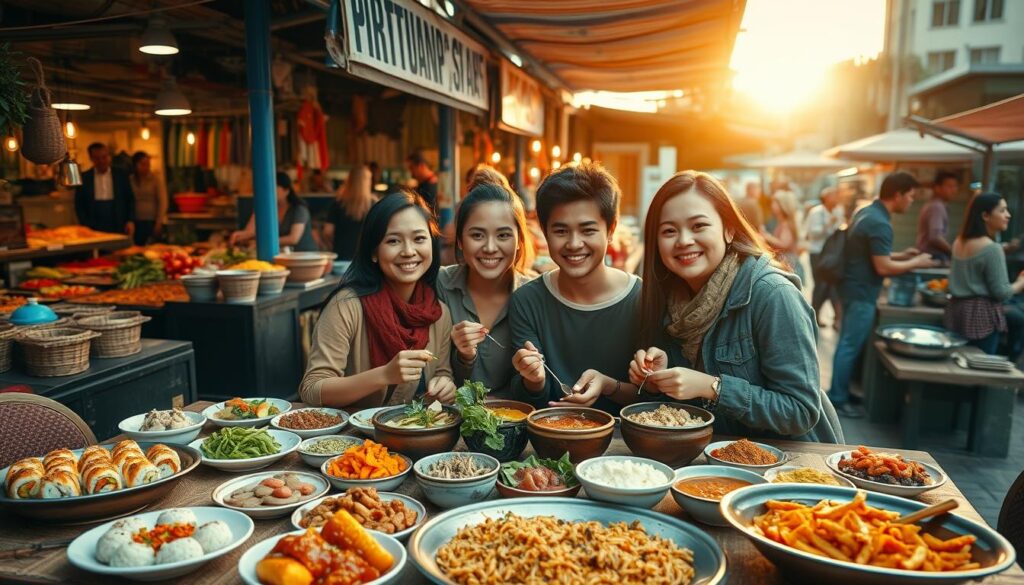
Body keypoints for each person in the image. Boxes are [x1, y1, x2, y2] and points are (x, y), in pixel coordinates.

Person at [623, 170, 841, 442]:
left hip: (790, 468)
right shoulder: (669, 301)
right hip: (716, 467)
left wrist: (714, 388)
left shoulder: (773, 294)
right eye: (669, 231)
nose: (684, 240)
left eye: (699, 226)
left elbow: (801, 412)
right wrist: (659, 377)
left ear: (729, 229)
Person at [299, 191, 455, 408]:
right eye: (393, 241)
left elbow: (442, 370)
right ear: (373, 252)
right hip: (352, 438)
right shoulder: (346, 306)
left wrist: (445, 383)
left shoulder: (438, 313)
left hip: (410, 435)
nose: (409, 251)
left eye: (419, 238)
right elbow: (313, 389)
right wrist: (384, 375)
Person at [510, 162, 642, 412]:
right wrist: (533, 380)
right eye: (560, 231)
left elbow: (653, 395)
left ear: (611, 230)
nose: (574, 243)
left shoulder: (642, 299)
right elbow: (529, 400)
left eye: (587, 230)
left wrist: (608, 385)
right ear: (545, 233)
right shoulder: (527, 300)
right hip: (551, 437)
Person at [829, 172, 937, 418]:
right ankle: (837, 397)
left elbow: (877, 256)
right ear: (897, 195)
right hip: (862, 291)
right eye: (910, 196)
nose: (911, 202)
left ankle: (841, 391)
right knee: (849, 345)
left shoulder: (867, 212)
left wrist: (902, 255)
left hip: (852, 287)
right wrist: (917, 261)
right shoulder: (880, 222)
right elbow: (883, 267)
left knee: (848, 343)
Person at [436, 166, 532, 397]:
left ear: (519, 240)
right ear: (459, 240)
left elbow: (536, 390)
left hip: (513, 422)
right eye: (477, 235)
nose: (490, 248)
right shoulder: (438, 285)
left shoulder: (533, 294)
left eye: (503, 235)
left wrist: (535, 379)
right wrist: (464, 356)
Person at [944, 193, 1024, 356]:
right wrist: (1021, 283)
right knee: (980, 368)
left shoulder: (959, 242)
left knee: (957, 364)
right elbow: (1002, 292)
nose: (1008, 215)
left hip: (956, 311)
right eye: (1002, 211)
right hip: (980, 317)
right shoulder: (991, 249)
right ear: (985, 216)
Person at [231, 172, 317, 252]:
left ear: (286, 191)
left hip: (304, 256)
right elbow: (250, 231)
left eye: (274, 189)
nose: (269, 193)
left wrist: (264, 243)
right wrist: (239, 236)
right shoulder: (266, 208)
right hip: (282, 255)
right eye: (267, 189)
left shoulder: (299, 209)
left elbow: (293, 239)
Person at [75, 143, 135, 236]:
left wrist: (130, 220)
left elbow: (130, 199)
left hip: (117, 219)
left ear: (109, 156)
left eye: (104, 157)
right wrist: (84, 224)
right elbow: (79, 204)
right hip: (93, 221)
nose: (102, 161)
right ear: (91, 159)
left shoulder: (121, 175)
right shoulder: (84, 178)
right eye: (97, 158)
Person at [804, 187, 845, 324]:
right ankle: (815, 316)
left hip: (833, 253)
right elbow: (811, 233)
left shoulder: (838, 211)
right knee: (820, 285)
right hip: (817, 252)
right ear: (826, 197)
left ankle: (836, 318)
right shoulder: (816, 213)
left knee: (832, 284)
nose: (837, 198)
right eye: (834, 195)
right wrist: (828, 224)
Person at [324, 165, 374, 261]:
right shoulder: (373, 204)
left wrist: (332, 244)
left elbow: (327, 231)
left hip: (341, 256)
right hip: (366, 258)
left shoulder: (338, 203)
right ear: (367, 181)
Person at [762, 189, 804, 283]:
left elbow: (785, 244)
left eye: (775, 203)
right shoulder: (782, 222)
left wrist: (767, 236)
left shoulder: (786, 223)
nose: (772, 205)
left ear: (783, 205)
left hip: (789, 262)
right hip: (787, 261)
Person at [916, 170, 958, 262]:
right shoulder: (936, 206)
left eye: (955, 186)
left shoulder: (936, 205)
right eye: (949, 186)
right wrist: (953, 252)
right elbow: (935, 237)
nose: (954, 190)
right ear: (937, 188)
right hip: (933, 256)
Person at [129, 151, 168, 245]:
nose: (146, 167)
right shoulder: (130, 180)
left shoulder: (155, 179)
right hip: (136, 220)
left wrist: (159, 222)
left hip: (151, 220)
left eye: (147, 164)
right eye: (142, 164)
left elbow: (163, 201)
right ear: (135, 165)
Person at [406, 150, 438, 216]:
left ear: (421, 166)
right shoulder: (423, 185)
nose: (411, 173)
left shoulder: (431, 187)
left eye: (412, 168)